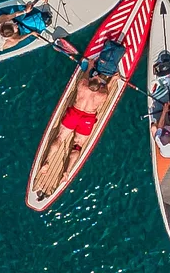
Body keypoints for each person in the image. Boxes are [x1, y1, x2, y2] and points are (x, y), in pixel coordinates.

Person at [35, 43, 126, 188]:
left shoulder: (83, 84)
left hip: (74, 113)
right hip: (88, 119)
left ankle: (47, 161)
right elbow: (107, 87)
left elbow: (87, 71)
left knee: (59, 138)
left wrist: (90, 67)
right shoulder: (102, 94)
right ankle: (67, 171)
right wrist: (113, 79)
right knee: (77, 145)